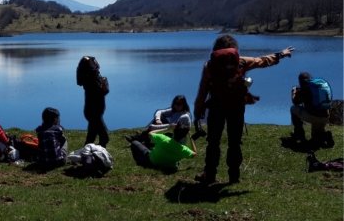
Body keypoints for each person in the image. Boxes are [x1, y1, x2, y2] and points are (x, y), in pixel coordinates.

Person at [193, 34, 294, 184]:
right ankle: (234, 176)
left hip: (216, 106)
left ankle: (210, 175)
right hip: (236, 106)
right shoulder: (240, 62)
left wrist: (197, 112)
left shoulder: (209, 66)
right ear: (234, 48)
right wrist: (280, 54)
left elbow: (203, 90)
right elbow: (262, 61)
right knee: (234, 142)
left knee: (213, 142)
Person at [128, 122, 197, 170]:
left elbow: (150, 133)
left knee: (134, 142)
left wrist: (167, 129)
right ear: (184, 136)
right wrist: (190, 137)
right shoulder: (183, 149)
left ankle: (140, 162)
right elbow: (194, 153)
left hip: (152, 162)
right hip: (169, 168)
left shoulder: (163, 138)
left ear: (173, 131)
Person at [290, 72, 334, 147]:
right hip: (325, 116)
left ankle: (299, 133)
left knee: (293, 109)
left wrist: (294, 92)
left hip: (313, 116)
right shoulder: (317, 88)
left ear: (300, 81)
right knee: (315, 136)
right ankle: (326, 135)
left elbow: (295, 102)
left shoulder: (304, 89)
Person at [127, 95, 192, 145]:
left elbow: (171, 127)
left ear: (184, 105)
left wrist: (154, 127)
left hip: (177, 137)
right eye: (175, 103)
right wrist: (158, 119)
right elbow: (160, 111)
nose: (177, 105)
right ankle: (145, 137)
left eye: (179, 104)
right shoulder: (174, 111)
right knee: (159, 118)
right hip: (171, 130)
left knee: (154, 128)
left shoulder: (184, 116)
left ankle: (138, 138)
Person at [76, 56, 110, 148]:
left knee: (91, 136)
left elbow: (104, 92)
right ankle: (99, 155)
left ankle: (88, 154)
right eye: (94, 62)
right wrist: (87, 60)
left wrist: (105, 88)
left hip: (96, 110)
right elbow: (89, 71)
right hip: (93, 112)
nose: (96, 63)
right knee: (104, 137)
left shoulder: (96, 76)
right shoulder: (89, 78)